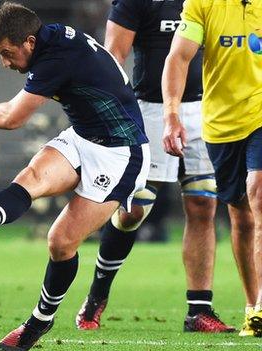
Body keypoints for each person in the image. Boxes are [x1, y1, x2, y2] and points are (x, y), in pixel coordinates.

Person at [0, 3, 150, 350]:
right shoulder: (51, 41)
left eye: (7, 53)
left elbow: (11, 119)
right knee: (31, 177)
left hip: (120, 152)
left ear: (29, 42)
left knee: (60, 242)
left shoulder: (55, 57)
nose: (5, 62)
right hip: (84, 134)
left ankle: (39, 322)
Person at [75, 0, 252, 333]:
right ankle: (98, 294)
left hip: (205, 109)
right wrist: (111, 111)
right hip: (149, 110)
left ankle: (199, 310)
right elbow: (113, 56)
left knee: (203, 204)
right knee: (134, 210)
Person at [162, 0, 262, 337]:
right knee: (243, 218)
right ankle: (254, 308)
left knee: (258, 194)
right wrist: (171, 114)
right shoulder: (202, 4)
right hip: (221, 125)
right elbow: (179, 56)